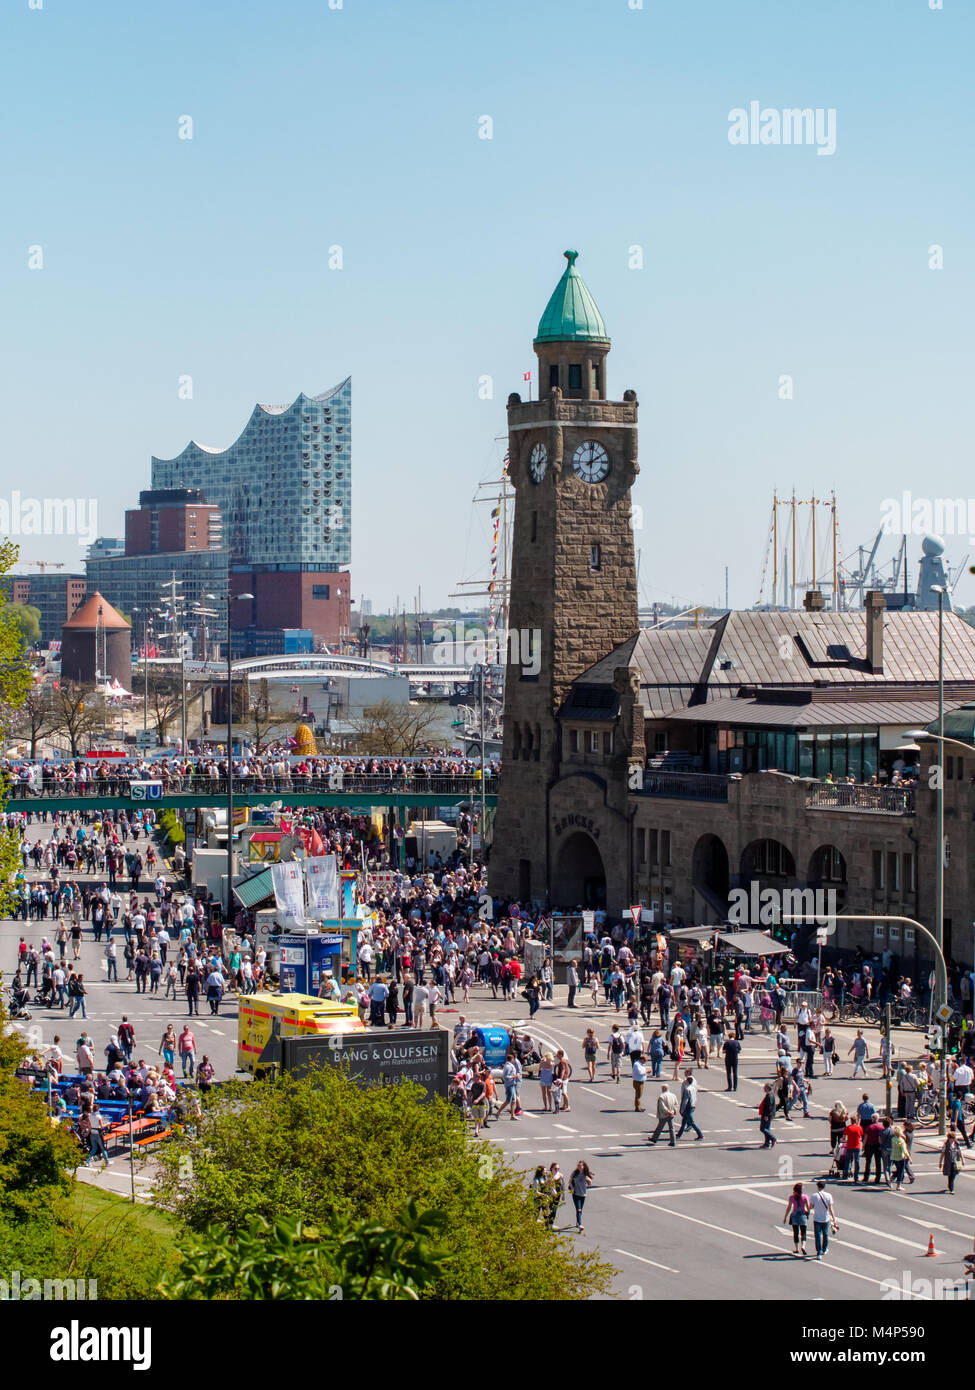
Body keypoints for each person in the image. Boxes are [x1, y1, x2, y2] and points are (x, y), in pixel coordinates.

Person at [810, 1179, 837, 1260]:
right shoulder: (828, 1195)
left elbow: (810, 1206)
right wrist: (834, 1218)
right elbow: (831, 1208)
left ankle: (818, 1252)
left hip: (817, 1218)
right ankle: (824, 1249)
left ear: (818, 1187)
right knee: (825, 1234)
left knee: (817, 1235)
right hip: (826, 1219)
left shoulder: (814, 1195)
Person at [783, 1182, 811, 1256]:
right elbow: (808, 1207)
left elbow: (789, 1207)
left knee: (796, 1232)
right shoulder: (805, 1197)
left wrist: (785, 1217)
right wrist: (807, 1213)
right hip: (802, 1215)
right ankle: (803, 1246)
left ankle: (796, 1248)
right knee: (803, 1232)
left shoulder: (792, 1197)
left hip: (794, 1216)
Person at [677, 1068, 703, 1141]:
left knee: (691, 1122)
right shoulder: (693, 1088)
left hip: (688, 1107)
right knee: (684, 1121)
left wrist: (682, 1109)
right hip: (692, 1105)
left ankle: (700, 1135)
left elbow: (685, 1100)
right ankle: (679, 1135)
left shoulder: (687, 1089)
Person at [569, 1160, 593, 1232]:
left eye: (581, 1166)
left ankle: (577, 1222)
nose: (579, 1167)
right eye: (578, 1166)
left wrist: (588, 1183)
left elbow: (590, 1183)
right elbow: (570, 1181)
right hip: (575, 1194)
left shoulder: (585, 1174)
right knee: (579, 1209)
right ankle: (580, 1224)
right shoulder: (575, 1173)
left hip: (583, 1194)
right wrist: (572, 1188)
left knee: (580, 1210)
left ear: (584, 1167)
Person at [940, 1128, 965, 1194]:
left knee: (953, 1174)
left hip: (955, 1161)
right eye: (952, 1138)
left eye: (954, 1138)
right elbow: (942, 1154)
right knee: (950, 1174)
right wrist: (940, 1162)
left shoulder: (956, 1144)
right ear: (949, 1138)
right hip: (948, 1162)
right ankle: (952, 1189)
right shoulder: (946, 1145)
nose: (954, 1139)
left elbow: (960, 1151)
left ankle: (950, 1185)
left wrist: (963, 1159)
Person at [843, 1115, 863, 1183]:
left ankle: (846, 1174)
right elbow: (861, 1136)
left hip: (849, 1146)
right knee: (857, 1161)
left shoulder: (848, 1128)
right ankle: (856, 1177)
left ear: (851, 1121)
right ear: (856, 1121)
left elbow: (843, 1138)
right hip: (857, 1146)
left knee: (848, 1160)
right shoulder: (859, 1128)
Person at [759, 1082, 777, 1149]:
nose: (763, 1088)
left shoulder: (769, 1096)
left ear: (767, 1088)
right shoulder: (771, 1094)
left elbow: (768, 1107)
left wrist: (766, 1115)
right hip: (769, 1115)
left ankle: (773, 1138)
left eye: (764, 1087)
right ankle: (767, 1143)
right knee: (767, 1129)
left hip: (767, 1115)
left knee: (762, 1128)